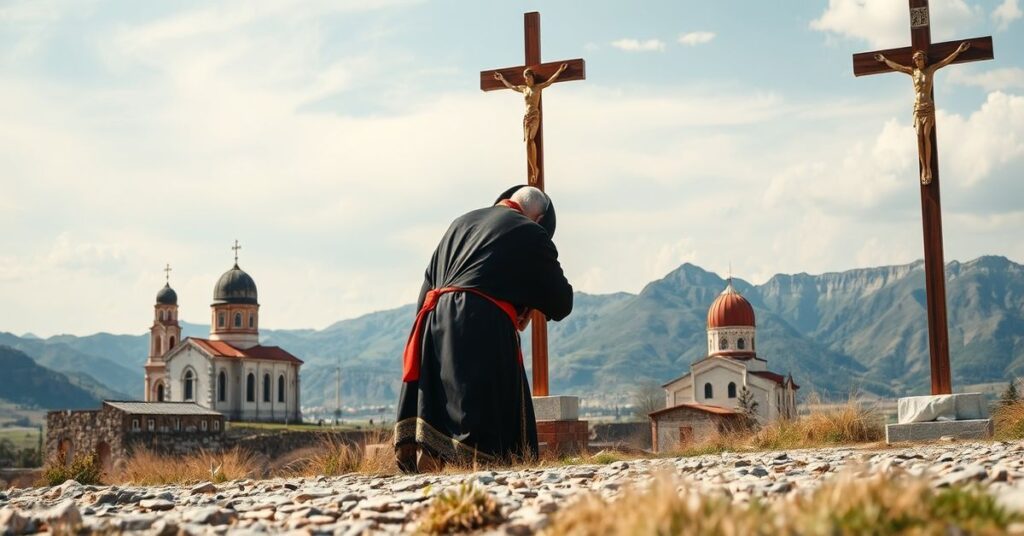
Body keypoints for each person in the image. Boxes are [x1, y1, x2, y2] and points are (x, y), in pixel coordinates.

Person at [394, 185, 573, 472]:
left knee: (437, 419)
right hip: (479, 324)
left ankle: (424, 477)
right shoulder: (530, 232)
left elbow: (428, 288)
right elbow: (562, 302)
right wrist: (526, 301)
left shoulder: (460, 222)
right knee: (482, 434)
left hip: (434, 322)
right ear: (539, 219)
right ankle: (484, 487)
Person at [874, 42, 970, 185]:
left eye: (919, 58)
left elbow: (944, 61)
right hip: (917, 108)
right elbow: (898, 67)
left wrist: (958, 51)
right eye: (915, 59)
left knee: (926, 136)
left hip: (928, 107)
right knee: (919, 136)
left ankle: (929, 169)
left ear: (924, 59)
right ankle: (923, 168)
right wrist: (885, 60)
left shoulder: (930, 69)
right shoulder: (913, 72)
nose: (917, 61)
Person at [494, 64, 569, 182]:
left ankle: (535, 170)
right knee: (527, 143)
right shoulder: (524, 89)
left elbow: (549, 81)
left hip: (534, 115)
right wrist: (502, 78)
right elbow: (512, 87)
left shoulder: (537, 87)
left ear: (532, 77)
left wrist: (559, 70)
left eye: (528, 77)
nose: (526, 79)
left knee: (530, 139)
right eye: (525, 77)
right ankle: (534, 168)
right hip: (526, 117)